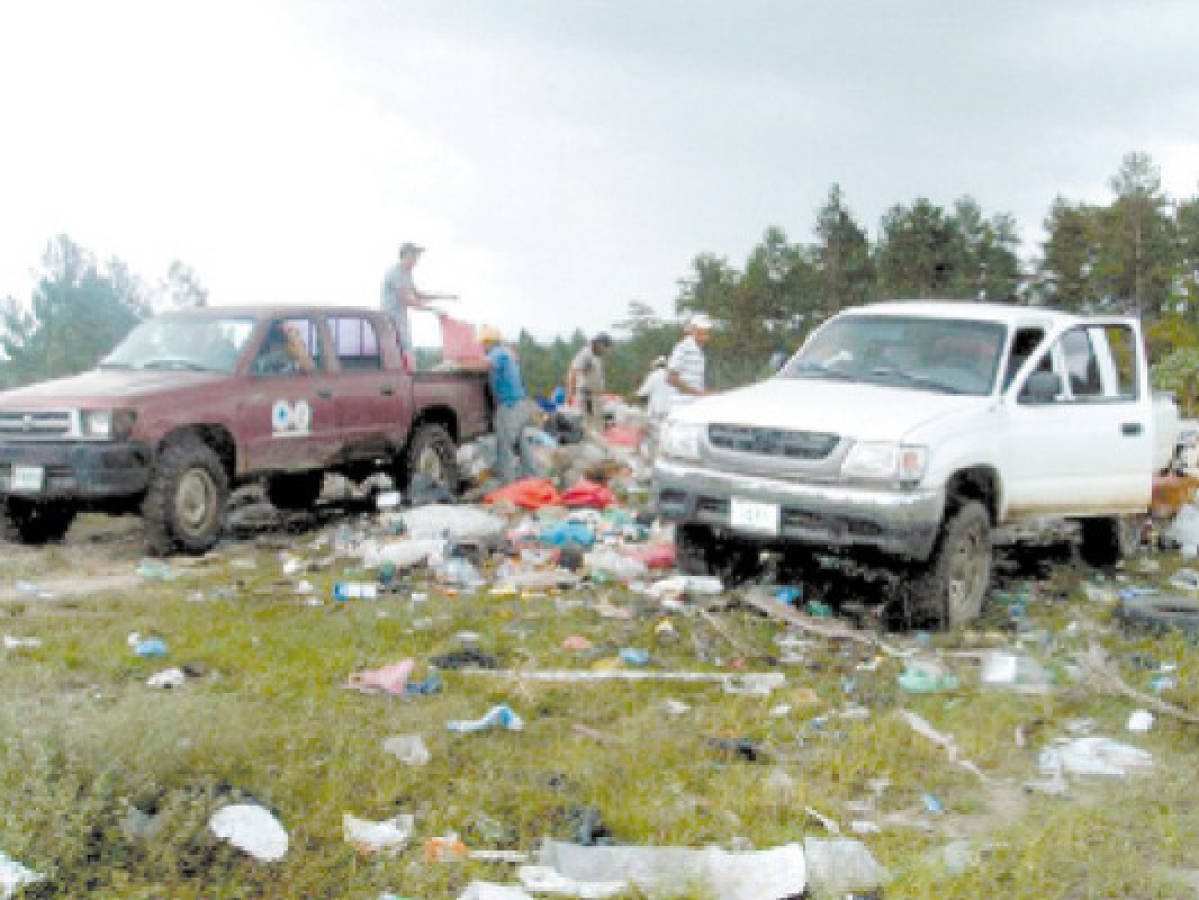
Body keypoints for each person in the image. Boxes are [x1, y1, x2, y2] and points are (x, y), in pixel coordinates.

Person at [479, 325, 535, 484]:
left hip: (509, 406)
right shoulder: (507, 352)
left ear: (488, 341)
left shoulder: (498, 353)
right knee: (522, 445)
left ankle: (508, 483)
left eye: (482, 343)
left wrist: (458, 365)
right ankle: (532, 478)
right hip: (519, 404)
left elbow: (485, 365)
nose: (482, 347)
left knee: (505, 446)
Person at [380, 242, 458, 355]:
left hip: (400, 320)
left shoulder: (406, 273)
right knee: (403, 352)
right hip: (392, 321)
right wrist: (434, 310)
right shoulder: (395, 273)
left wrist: (446, 297)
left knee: (406, 351)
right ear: (406, 255)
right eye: (415, 255)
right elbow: (408, 300)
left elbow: (418, 295)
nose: (417, 259)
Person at [665, 313, 714, 409]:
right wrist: (700, 394)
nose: (705, 335)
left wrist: (704, 394)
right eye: (702, 331)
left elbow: (695, 381)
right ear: (693, 331)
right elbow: (672, 378)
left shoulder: (699, 351)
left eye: (706, 332)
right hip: (682, 404)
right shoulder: (683, 348)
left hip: (695, 404)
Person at [567, 332, 612, 431]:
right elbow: (573, 372)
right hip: (587, 396)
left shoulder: (596, 356)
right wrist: (570, 394)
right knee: (589, 425)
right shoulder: (585, 354)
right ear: (599, 344)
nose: (606, 349)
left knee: (597, 424)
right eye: (606, 346)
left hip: (595, 396)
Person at [635, 355, 671, 456]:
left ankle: (652, 456)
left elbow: (642, 392)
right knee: (664, 433)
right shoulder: (672, 376)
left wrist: (636, 394)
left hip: (656, 409)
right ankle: (663, 453)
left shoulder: (654, 375)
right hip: (669, 409)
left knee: (653, 434)